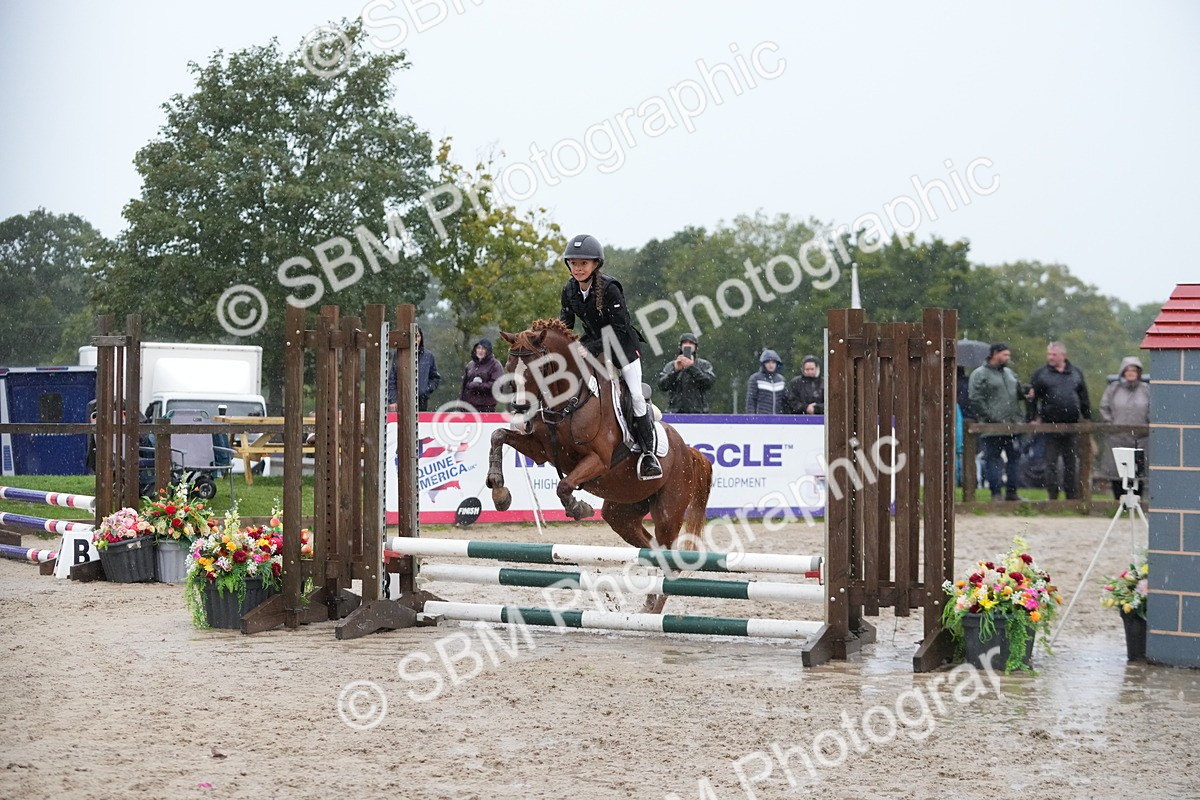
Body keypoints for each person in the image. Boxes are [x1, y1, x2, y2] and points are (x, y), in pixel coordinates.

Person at [558, 233, 661, 479]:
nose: (578, 268)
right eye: (574, 263)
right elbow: (565, 325)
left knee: (635, 396)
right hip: (591, 346)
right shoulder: (569, 289)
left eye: (583, 263)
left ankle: (649, 454)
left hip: (622, 348)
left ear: (596, 264)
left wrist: (590, 348)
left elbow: (619, 328)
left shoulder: (610, 288)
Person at [1030, 341, 1091, 500]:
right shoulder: (1041, 374)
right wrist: (1032, 418)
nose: (1050, 357)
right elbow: (1032, 398)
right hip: (1050, 426)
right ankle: (1053, 496)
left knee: (1071, 463)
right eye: (1049, 354)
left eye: (1054, 354)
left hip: (1072, 426)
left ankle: (1071, 496)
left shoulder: (1076, 373)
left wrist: (1087, 417)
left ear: (1063, 355)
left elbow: (1084, 397)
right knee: (1050, 462)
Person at [968, 342, 1026, 501]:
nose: (1008, 358)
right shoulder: (980, 374)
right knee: (993, 459)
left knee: (1014, 459)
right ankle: (996, 494)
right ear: (995, 354)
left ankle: (1012, 493)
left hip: (1013, 425)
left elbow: (1018, 392)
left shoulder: (1010, 373)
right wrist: (989, 417)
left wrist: (1026, 392)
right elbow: (975, 398)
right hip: (992, 427)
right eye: (1005, 354)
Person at [1099, 356, 1150, 500]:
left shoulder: (1146, 390)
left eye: (1134, 370)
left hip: (1140, 440)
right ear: (1123, 372)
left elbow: (1152, 410)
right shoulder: (1113, 389)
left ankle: (1136, 503)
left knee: (1137, 473)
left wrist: (1148, 426)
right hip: (1117, 439)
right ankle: (1119, 503)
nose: (1131, 373)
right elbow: (1104, 408)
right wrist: (1110, 425)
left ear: (1138, 372)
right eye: (1128, 370)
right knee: (1117, 473)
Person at [658, 332, 717, 415]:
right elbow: (662, 385)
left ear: (696, 347)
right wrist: (675, 371)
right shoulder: (672, 365)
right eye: (685, 342)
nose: (688, 345)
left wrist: (691, 367)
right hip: (675, 412)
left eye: (691, 343)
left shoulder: (703, 365)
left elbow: (709, 382)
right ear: (680, 346)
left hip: (698, 412)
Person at [387, 326, 441, 412]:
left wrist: (426, 389)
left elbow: (435, 377)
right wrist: (393, 400)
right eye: (414, 336)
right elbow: (392, 378)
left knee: (421, 420)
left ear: (421, 338)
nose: (416, 339)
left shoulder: (428, 356)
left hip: (421, 400)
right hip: (402, 397)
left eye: (418, 336)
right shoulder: (399, 354)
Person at [459, 338, 502, 413]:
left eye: (483, 348)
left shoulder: (495, 365)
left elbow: (497, 386)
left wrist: (477, 385)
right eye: (478, 348)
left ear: (488, 351)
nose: (480, 351)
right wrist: (460, 402)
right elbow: (464, 386)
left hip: (486, 408)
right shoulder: (470, 365)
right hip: (468, 408)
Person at [745, 349, 787, 414]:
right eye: (768, 362)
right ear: (763, 364)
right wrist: (752, 417)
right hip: (761, 417)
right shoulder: (755, 379)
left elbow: (785, 403)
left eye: (773, 362)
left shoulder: (781, 380)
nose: (771, 365)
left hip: (778, 418)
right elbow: (751, 401)